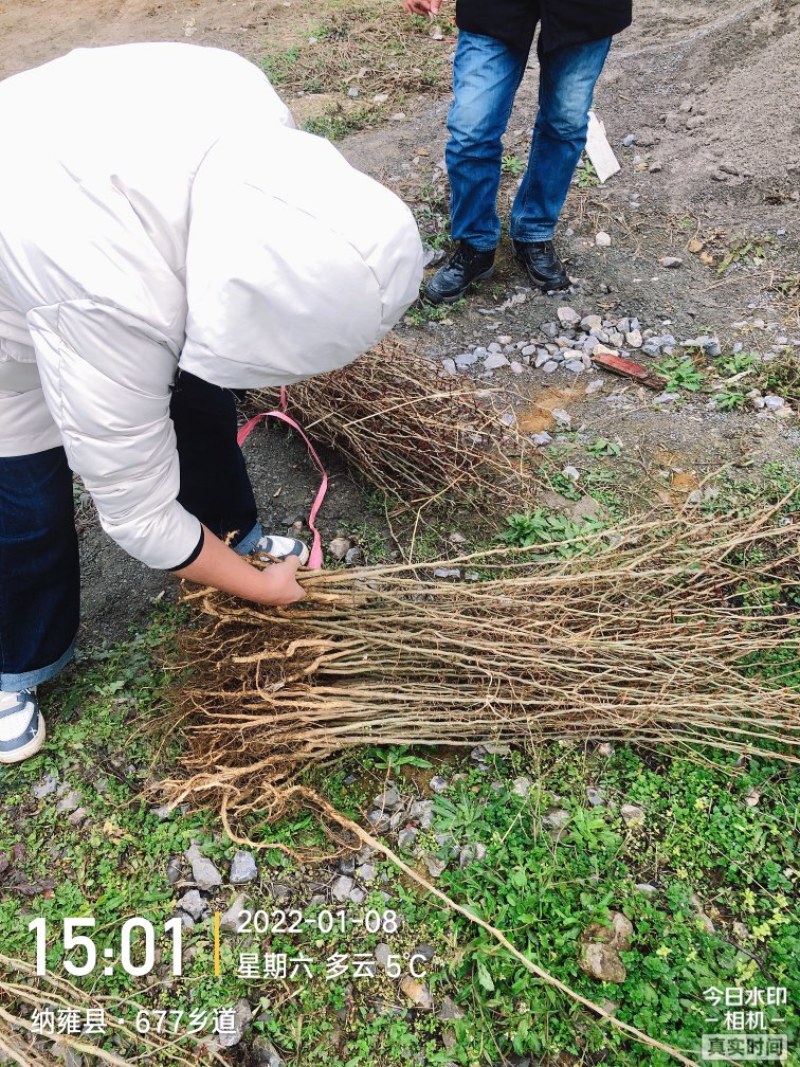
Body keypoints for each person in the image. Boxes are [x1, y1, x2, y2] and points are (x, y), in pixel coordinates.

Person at [0, 43, 423, 765]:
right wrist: (264, 594)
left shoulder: (251, 102)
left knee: (198, 397)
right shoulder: (114, 294)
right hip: (30, 236)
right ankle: (15, 666)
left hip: (66, 179)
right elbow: (135, 515)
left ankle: (234, 529)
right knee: (26, 492)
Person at [403, 0, 632, 301]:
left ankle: (534, 231)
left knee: (565, 123)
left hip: (586, 9)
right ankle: (475, 243)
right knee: (471, 128)